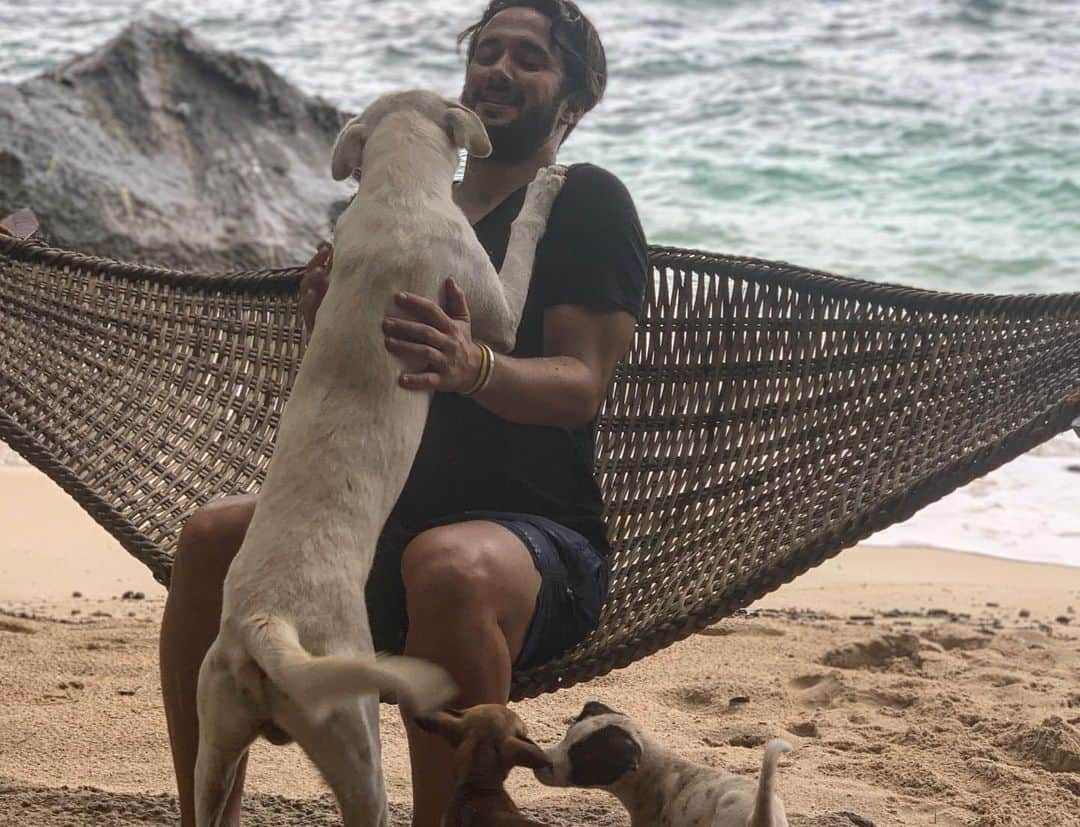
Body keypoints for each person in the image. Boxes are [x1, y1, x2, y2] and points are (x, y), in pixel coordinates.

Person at [158, 1, 648, 825]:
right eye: (486, 51)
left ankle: (441, 817)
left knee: (443, 562)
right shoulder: (399, 207)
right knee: (210, 536)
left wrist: (475, 366)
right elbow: (359, 384)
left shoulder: (584, 203)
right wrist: (320, 319)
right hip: (376, 534)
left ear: (574, 102)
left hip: (530, 541)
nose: (498, 67)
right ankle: (203, 812)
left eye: (529, 59)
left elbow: (580, 383)